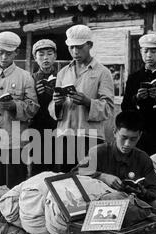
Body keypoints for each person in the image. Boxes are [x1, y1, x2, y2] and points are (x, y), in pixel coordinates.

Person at [0, 31, 39, 188]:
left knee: (15, 186)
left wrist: (15, 106)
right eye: (1, 52)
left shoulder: (25, 77)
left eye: (9, 54)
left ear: (16, 53)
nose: (4, 57)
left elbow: (33, 107)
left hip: (15, 141)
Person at [48, 24, 115, 173]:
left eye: (79, 47)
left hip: (89, 137)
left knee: (88, 179)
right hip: (65, 135)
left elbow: (109, 108)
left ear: (90, 45)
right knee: (63, 179)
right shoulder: (63, 73)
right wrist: (57, 103)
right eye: (71, 47)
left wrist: (87, 102)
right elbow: (53, 110)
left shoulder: (102, 73)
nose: (75, 51)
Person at [76, 110, 156, 209]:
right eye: (124, 137)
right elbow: (76, 173)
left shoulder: (143, 158)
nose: (127, 144)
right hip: (103, 204)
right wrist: (102, 176)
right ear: (115, 132)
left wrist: (141, 191)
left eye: (133, 139)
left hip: (134, 203)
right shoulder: (98, 152)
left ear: (139, 136)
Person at [30, 39, 58, 175]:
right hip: (37, 129)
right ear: (35, 58)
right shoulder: (30, 79)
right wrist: (35, 93)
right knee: (38, 167)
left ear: (55, 56)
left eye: (49, 53)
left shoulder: (63, 76)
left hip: (58, 128)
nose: (45, 58)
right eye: (41, 54)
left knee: (58, 166)